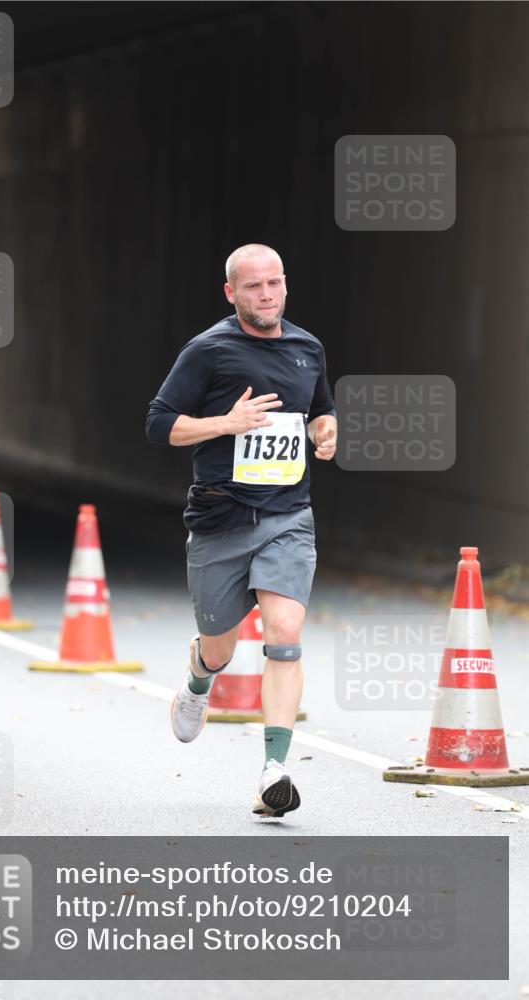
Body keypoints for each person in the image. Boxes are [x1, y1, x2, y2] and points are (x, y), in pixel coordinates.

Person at [146, 244, 337, 817]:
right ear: (232, 293)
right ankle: (199, 679)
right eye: (254, 287)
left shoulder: (308, 348)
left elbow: (319, 409)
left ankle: (273, 769)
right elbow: (159, 424)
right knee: (221, 647)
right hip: (220, 518)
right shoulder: (208, 351)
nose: (268, 295)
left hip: (287, 516)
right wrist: (226, 424)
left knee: (284, 628)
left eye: (275, 283)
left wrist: (325, 433)